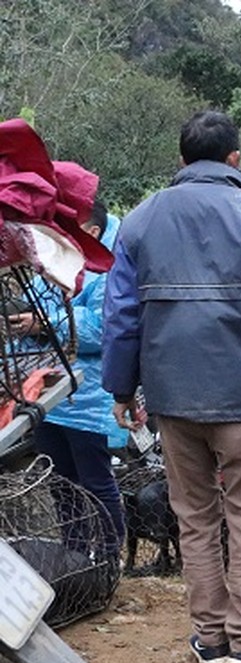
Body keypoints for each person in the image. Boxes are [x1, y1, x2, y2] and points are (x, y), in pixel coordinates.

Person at [103, 111, 241, 663]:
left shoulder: (139, 222)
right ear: (235, 161)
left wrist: (121, 388)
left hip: (172, 402)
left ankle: (209, 637)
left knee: (194, 519)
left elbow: (122, 316)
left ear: (181, 161)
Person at [29, 199, 127, 564]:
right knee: (60, 483)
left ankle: (107, 558)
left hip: (88, 398)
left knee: (96, 483)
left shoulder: (108, 272)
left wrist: (43, 323)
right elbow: (32, 303)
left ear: (92, 233)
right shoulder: (53, 263)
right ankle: (75, 559)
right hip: (47, 396)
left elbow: (102, 330)